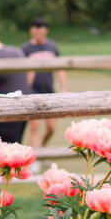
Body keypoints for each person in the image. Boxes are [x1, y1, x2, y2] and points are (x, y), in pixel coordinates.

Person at [21, 18, 68, 153]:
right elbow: (22, 72)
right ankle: (35, 157)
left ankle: (41, 149)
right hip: (32, 92)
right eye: (35, 31)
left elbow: (60, 68)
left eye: (40, 31)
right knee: (34, 127)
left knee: (52, 127)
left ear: (46, 31)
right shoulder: (26, 48)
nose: (38, 34)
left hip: (48, 91)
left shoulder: (52, 47)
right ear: (31, 31)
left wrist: (64, 87)